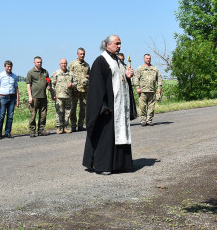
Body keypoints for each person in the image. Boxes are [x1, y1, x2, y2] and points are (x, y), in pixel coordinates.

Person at [82, 35, 137, 175]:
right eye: (116, 43)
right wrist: (103, 106)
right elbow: (96, 87)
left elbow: (120, 81)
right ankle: (103, 165)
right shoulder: (101, 61)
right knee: (105, 137)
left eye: (120, 44)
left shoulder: (118, 61)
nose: (119, 46)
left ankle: (120, 165)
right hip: (108, 107)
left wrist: (128, 76)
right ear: (108, 45)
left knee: (120, 135)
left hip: (119, 106)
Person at [26, 56, 51, 137]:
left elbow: (48, 81)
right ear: (34, 63)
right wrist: (30, 96)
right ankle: (32, 131)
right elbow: (28, 85)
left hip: (43, 96)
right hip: (34, 97)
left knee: (43, 114)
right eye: (38, 62)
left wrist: (49, 86)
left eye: (40, 62)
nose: (39, 63)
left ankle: (41, 130)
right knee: (33, 114)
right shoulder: (30, 72)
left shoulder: (45, 72)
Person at [134, 54, 162, 126]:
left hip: (152, 91)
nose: (148, 59)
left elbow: (159, 78)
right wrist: (137, 87)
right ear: (144, 59)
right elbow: (136, 78)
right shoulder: (140, 68)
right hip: (143, 91)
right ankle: (143, 120)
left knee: (151, 107)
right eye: (147, 58)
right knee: (142, 107)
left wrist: (159, 87)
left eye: (149, 58)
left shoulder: (154, 69)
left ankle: (149, 120)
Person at [51, 59, 77, 134]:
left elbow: (76, 82)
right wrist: (53, 95)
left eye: (65, 63)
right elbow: (52, 85)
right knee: (59, 112)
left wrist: (72, 85)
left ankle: (65, 127)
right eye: (62, 63)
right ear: (59, 64)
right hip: (59, 96)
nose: (63, 65)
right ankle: (58, 127)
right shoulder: (56, 73)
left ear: (67, 64)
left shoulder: (71, 73)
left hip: (68, 96)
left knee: (67, 112)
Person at [0, 60, 19, 139]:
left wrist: (17, 100)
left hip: (12, 98)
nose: (9, 68)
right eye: (8, 66)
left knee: (10, 116)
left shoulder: (14, 76)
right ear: (5, 66)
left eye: (10, 66)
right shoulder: (0, 75)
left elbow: (16, 88)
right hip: (3, 97)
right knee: (1, 116)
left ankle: (7, 132)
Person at [69, 48, 90, 132]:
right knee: (73, 108)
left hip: (84, 90)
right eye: (81, 54)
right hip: (75, 89)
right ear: (77, 54)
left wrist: (88, 77)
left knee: (83, 108)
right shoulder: (72, 64)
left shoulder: (87, 65)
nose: (82, 55)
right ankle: (73, 125)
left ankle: (80, 125)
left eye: (83, 54)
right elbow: (69, 76)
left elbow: (90, 75)